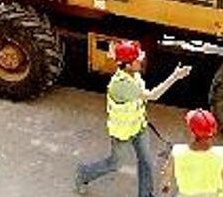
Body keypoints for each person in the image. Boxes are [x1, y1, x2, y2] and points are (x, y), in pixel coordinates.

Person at [75, 40, 192, 197]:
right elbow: (152, 96)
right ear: (128, 65)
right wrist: (175, 76)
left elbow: (141, 96)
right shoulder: (120, 85)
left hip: (139, 127)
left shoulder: (134, 74)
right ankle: (83, 174)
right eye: (137, 59)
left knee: (146, 162)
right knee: (115, 164)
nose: (141, 60)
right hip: (122, 133)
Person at [160, 109, 223, 197]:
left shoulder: (177, 152)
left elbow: (167, 172)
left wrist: (166, 184)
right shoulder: (221, 154)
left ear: (192, 133)